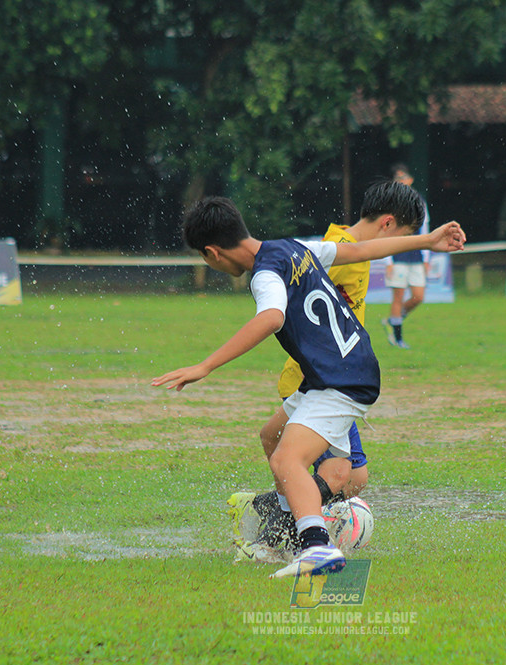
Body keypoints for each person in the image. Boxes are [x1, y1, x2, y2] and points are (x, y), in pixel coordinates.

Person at [152, 193, 465, 578]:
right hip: (337, 373)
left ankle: (315, 546)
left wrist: (205, 365)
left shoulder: (265, 273)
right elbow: (362, 249)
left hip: (340, 380)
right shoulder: (293, 247)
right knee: (272, 435)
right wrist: (426, 240)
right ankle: (286, 529)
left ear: (212, 253)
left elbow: (270, 318)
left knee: (288, 459)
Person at [227, 182, 423, 561]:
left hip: (329, 376)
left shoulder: (352, 249)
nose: (399, 244)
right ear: (388, 224)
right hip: (319, 380)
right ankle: (283, 523)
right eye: (405, 234)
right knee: (345, 477)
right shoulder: (339, 250)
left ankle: (276, 515)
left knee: (317, 463)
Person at [382, 164, 431, 349]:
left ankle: (393, 320)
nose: (402, 182)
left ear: (410, 180)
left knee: (418, 296)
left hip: (416, 254)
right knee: (398, 296)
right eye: (398, 179)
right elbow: (385, 232)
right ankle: (397, 337)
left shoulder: (419, 201)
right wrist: (387, 261)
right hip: (397, 255)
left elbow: (425, 229)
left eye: (404, 178)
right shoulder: (389, 204)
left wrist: (426, 257)